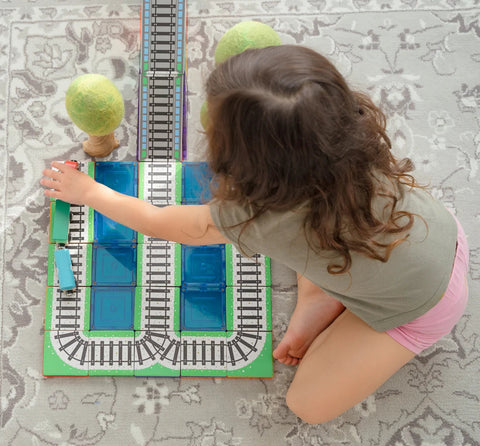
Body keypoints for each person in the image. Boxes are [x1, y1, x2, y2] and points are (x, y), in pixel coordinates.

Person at [41, 45, 469, 424]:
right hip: (438, 231)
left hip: (422, 306)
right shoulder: (351, 133)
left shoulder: (256, 217)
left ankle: (335, 300)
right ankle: (322, 294)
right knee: (319, 242)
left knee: (306, 405)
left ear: (251, 165)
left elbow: (162, 222)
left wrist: (90, 192)